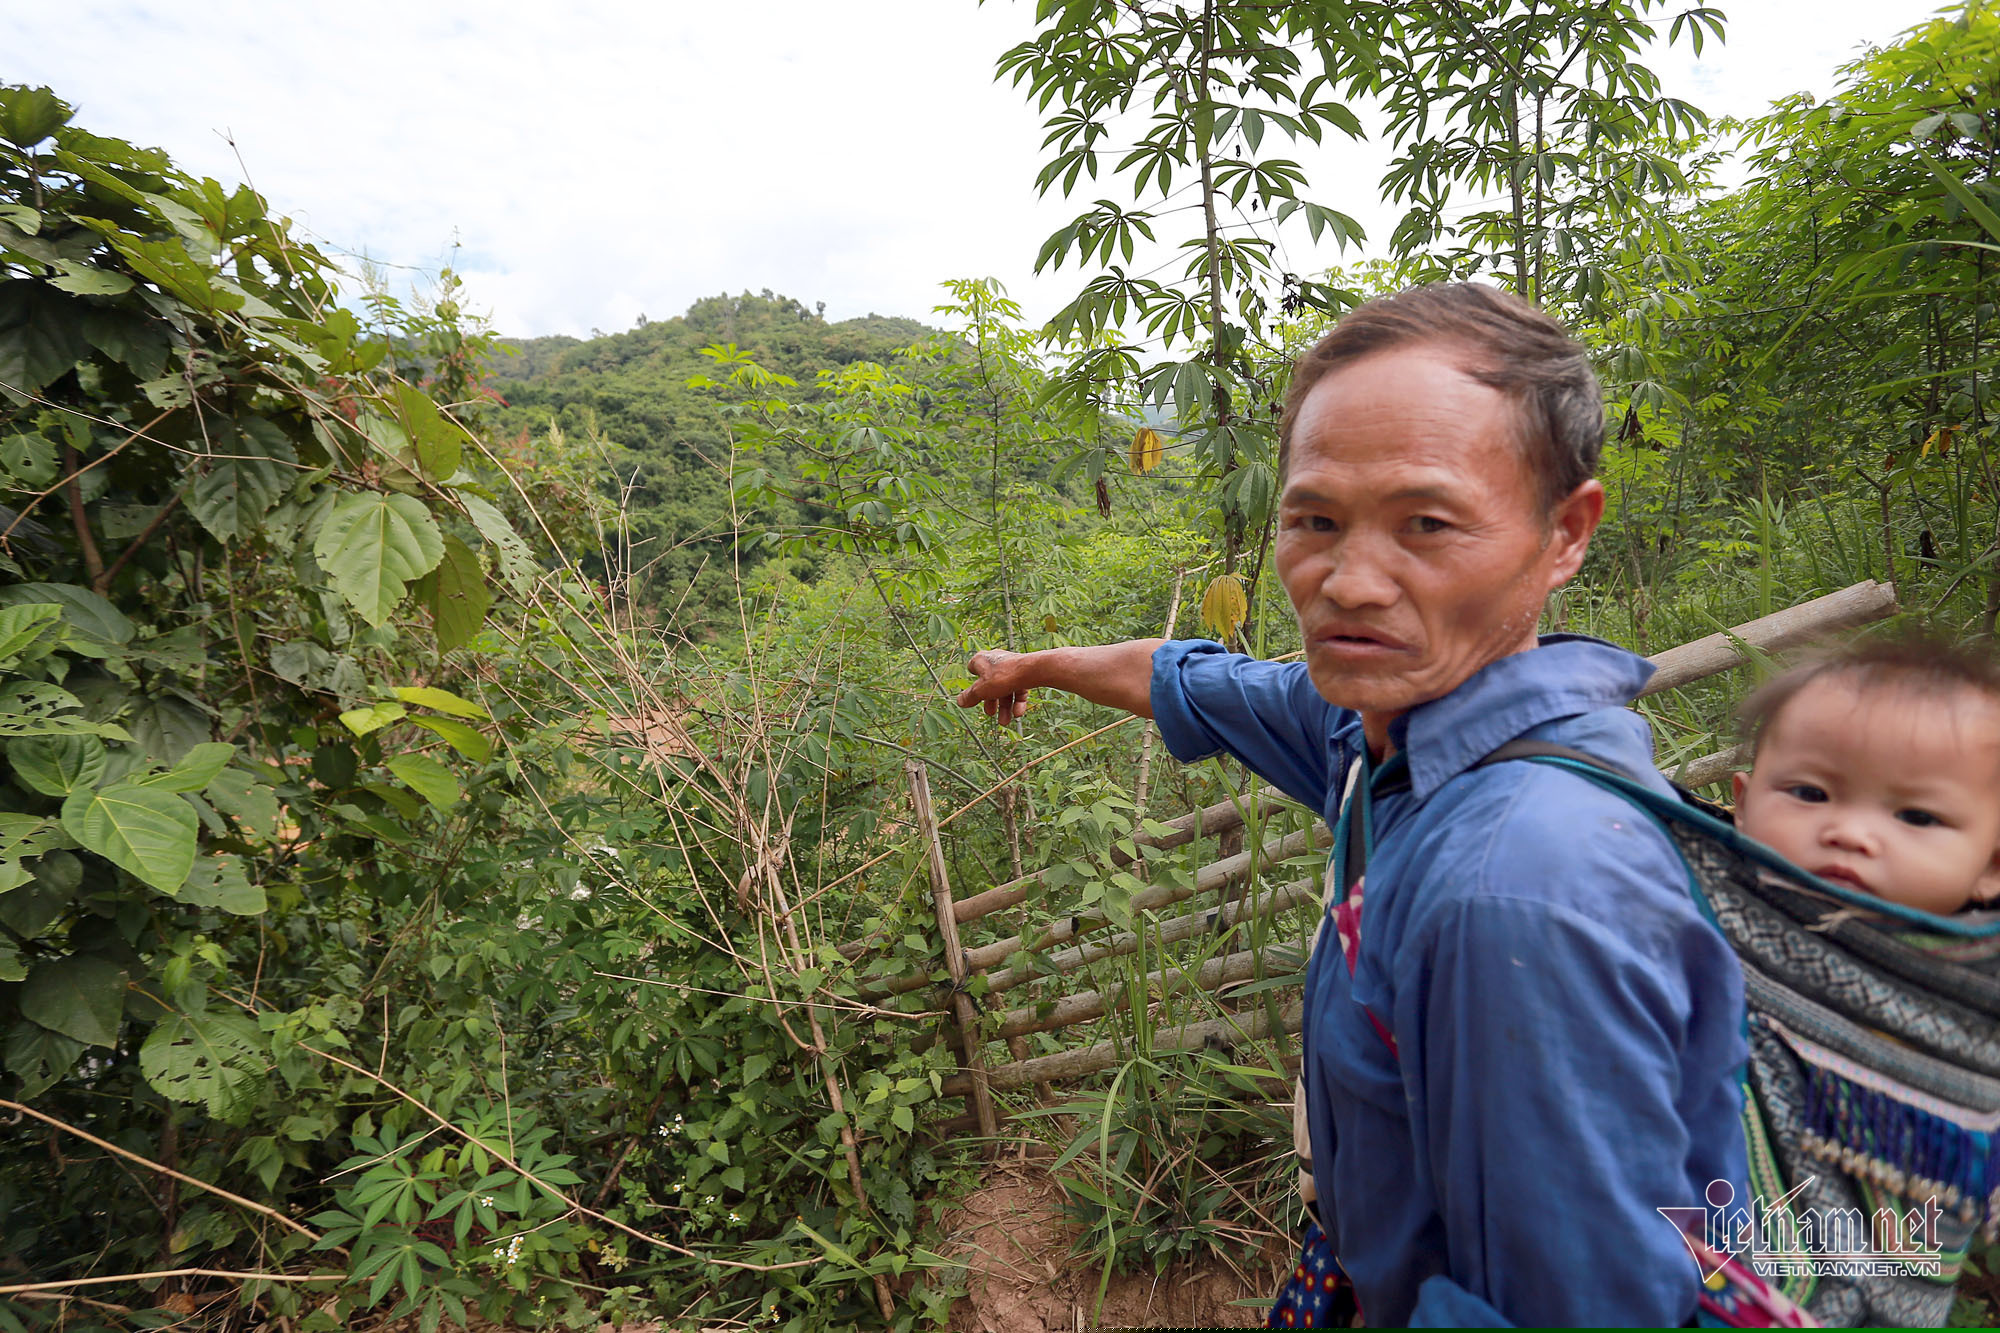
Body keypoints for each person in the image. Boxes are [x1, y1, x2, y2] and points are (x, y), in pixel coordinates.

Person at [957, 283, 1748, 1326]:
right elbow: (1188, 676)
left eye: (1425, 523)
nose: (1349, 582)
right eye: (1313, 520)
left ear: (1564, 533)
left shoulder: (1506, 891)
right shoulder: (1382, 728)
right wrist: (1040, 665)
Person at [1733, 634, 2000, 916]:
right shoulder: (1695, 908)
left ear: (1991, 867)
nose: (1851, 835)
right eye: (1810, 794)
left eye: (1917, 817)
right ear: (1743, 806)